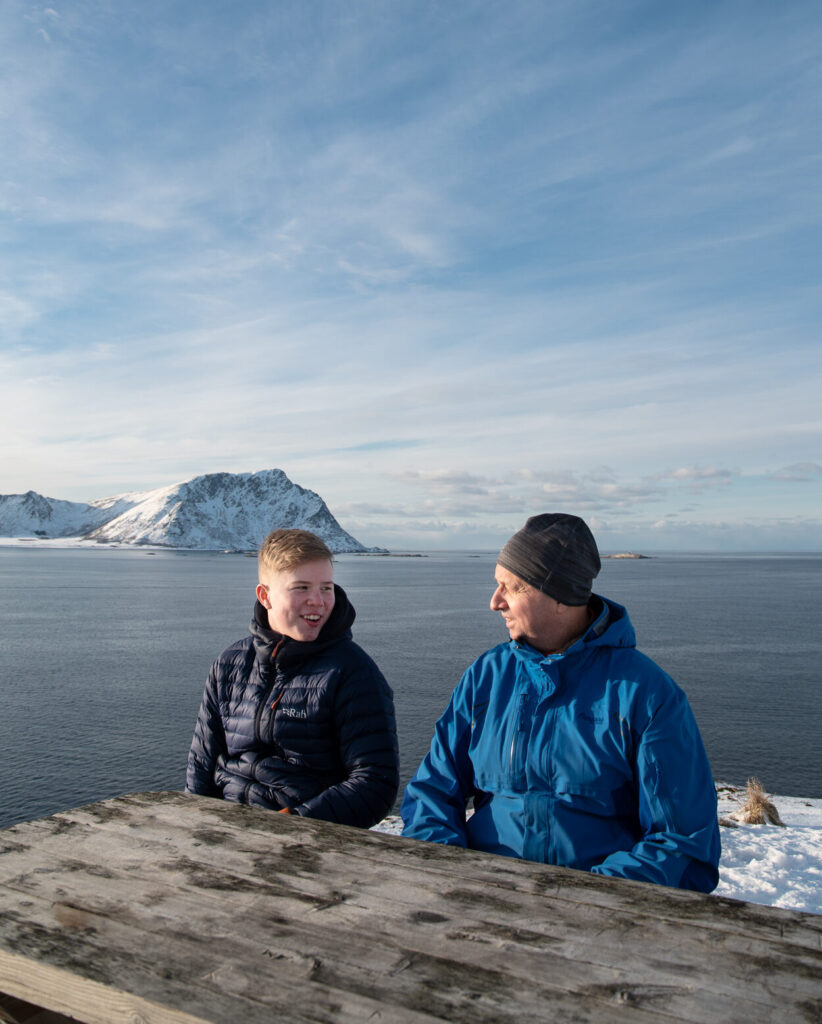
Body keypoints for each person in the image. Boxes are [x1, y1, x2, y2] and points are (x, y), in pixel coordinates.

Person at [401, 513, 720, 891]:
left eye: (510, 588)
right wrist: (452, 874)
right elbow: (432, 793)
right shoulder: (486, 678)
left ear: (558, 597)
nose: (494, 602)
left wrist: (581, 900)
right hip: (481, 894)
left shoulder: (645, 695)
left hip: (600, 914)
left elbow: (681, 843)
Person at [186, 528, 399, 827]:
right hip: (224, 825)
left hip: (305, 837)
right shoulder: (229, 665)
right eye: (301, 588)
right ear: (265, 596)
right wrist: (196, 823)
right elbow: (202, 762)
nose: (318, 601)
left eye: (326, 588)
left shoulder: (352, 673)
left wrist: (290, 825)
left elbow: (375, 783)